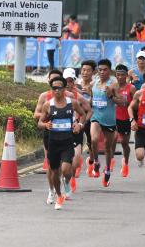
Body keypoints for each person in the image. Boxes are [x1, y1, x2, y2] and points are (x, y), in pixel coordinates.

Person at [39, 76, 86, 210]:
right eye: (54, 88)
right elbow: (39, 122)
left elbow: (83, 114)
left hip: (67, 142)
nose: (56, 90)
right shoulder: (48, 105)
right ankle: (59, 195)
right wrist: (45, 124)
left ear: (64, 88)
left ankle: (67, 181)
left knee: (65, 169)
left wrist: (79, 125)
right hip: (53, 142)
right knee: (54, 172)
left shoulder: (72, 103)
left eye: (59, 87)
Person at [88, 59, 125, 187]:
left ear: (110, 70)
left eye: (105, 70)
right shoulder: (94, 83)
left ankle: (107, 169)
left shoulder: (113, 84)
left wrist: (111, 96)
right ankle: (97, 162)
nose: (102, 72)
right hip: (96, 117)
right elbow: (92, 100)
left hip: (109, 120)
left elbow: (122, 102)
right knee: (94, 140)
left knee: (108, 148)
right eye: (100, 70)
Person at [33, 69, 63, 205]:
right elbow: (36, 115)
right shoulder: (44, 96)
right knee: (51, 164)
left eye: (58, 80)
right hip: (49, 132)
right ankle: (51, 190)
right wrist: (48, 115)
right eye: (53, 81)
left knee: (63, 163)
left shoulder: (68, 97)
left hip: (65, 132)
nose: (55, 84)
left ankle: (59, 186)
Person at [63, 68, 92, 196]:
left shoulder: (78, 96)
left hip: (75, 132)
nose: (68, 84)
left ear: (74, 82)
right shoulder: (56, 95)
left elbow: (89, 110)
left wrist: (81, 124)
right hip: (61, 131)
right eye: (66, 81)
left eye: (71, 81)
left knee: (74, 162)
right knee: (62, 164)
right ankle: (62, 184)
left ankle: (69, 180)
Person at [114, 64, 135, 177]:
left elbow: (134, 104)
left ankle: (125, 162)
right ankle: (109, 162)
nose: (120, 77)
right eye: (118, 75)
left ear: (126, 75)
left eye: (122, 75)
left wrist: (134, 119)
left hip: (126, 118)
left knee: (124, 143)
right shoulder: (112, 87)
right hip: (113, 118)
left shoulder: (131, 88)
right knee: (112, 140)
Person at [78, 60, 96, 164]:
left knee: (91, 141)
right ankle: (77, 161)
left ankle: (92, 159)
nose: (85, 73)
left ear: (93, 72)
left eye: (88, 71)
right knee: (77, 141)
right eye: (83, 70)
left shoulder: (95, 86)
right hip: (78, 115)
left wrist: (91, 94)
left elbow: (98, 101)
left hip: (91, 115)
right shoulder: (76, 84)